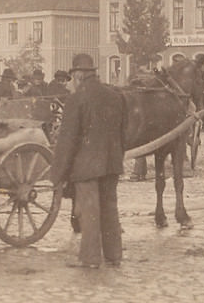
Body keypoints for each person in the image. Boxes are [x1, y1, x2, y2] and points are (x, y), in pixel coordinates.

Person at [50, 53, 126, 269]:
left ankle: (90, 258)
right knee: (110, 208)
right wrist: (117, 157)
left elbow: (68, 140)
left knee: (89, 211)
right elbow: (123, 133)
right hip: (111, 163)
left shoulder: (76, 99)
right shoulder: (115, 96)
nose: (73, 80)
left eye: (74, 75)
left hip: (86, 166)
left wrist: (57, 174)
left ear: (79, 75)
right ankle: (114, 255)